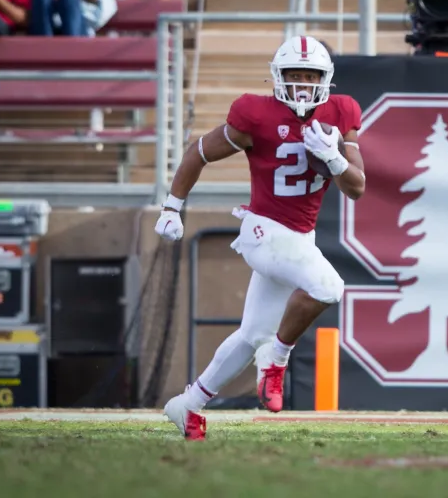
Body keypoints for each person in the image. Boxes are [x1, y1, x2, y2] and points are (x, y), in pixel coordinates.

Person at [156, 35, 366, 440]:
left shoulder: (340, 113)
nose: (303, 85)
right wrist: (171, 206)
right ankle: (278, 355)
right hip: (262, 231)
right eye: (294, 76)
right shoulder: (255, 114)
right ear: (278, 77)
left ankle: (187, 404)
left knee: (251, 334)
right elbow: (198, 151)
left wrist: (335, 156)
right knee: (329, 287)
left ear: (326, 80)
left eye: (311, 76)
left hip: (298, 239)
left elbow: (356, 188)